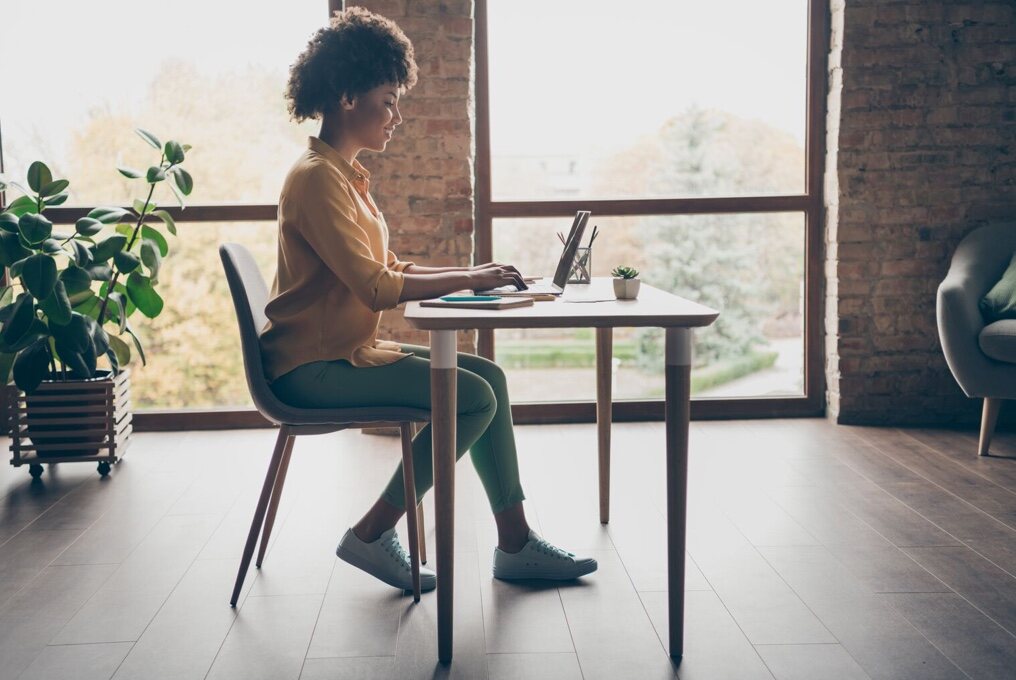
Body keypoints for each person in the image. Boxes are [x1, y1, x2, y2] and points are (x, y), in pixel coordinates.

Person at [260, 7, 597, 593]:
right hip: (311, 370)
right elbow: (375, 286)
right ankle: (372, 531)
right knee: (469, 399)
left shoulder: (344, 176)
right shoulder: (317, 178)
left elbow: (387, 269)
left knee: (489, 377)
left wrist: (473, 274)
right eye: (388, 100)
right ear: (346, 96)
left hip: (343, 356)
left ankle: (515, 544)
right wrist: (468, 279)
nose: (396, 115)